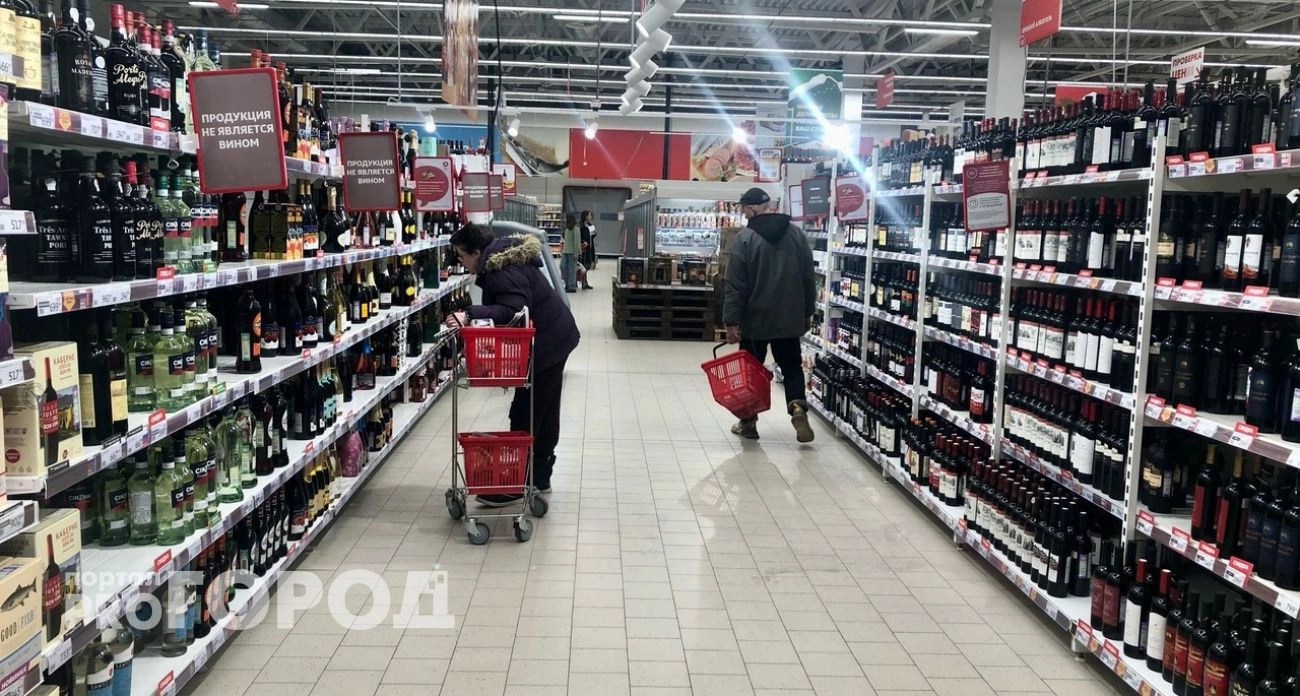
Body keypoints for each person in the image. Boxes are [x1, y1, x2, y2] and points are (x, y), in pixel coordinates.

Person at [447, 223, 581, 506]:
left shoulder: (501, 269)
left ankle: (517, 484)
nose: (460, 261)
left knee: (526, 412)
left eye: (461, 255)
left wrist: (470, 314)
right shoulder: (502, 257)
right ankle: (539, 476)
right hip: (555, 336)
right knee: (544, 408)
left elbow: (515, 311)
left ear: (476, 252)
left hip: (547, 342)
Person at [723, 187, 817, 444]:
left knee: (751, 372)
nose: (744, 214)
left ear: (753, 208)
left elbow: (735, 286)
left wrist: (731, 322)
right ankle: (797, 407)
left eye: (744, 209)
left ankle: (748, 423)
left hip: (755, 320)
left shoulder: (744, 239)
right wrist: (807, 312)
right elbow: (808, 277)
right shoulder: (796, 234)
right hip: (789, 317)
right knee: (792, 367)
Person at [561, 213, 580, 293]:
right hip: (565, 251)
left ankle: (571, 286)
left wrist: (576, 252)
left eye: (565, 218)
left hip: (572, 252)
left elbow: (577, 241)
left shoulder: (576, 229)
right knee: (562, 266)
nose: (564, 219)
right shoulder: (567, 229)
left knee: (572, 269)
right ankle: (567, 283)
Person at [579, 210, 598, 288]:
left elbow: (592, 235)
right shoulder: (580, 225)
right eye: (589, 215)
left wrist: (594, 234)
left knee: (589, 264)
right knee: (584, 265)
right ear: (586, 216)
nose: (590, 216)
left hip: (590, 247)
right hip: (583, 248)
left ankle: (584, 281)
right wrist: (583, 241)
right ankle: (584, 282)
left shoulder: (590, 225)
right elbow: (579, 236)